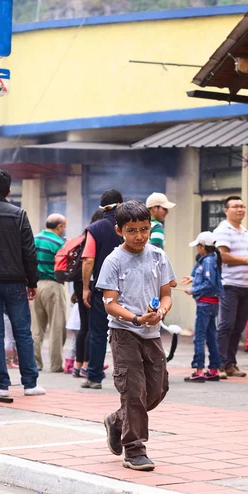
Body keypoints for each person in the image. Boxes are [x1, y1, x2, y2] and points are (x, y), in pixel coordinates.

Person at [98, 200, 175, 471]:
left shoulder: (158, 256)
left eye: (144, 229)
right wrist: (135, 318)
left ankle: (117, 421)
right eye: (132, 230)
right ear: (119, 231)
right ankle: (134, 449)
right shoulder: (113, 261)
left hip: (152, 333)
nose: (139, 236)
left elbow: (166, 294)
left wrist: (161, 313)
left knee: (157, 390)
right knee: (133, 392)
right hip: (124, 333)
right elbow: (109, 303)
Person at [0, 169, 44, 397]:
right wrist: (32, 281)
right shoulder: (19, 214)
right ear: (9, 190)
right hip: (15, 282)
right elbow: (29, 251)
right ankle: (30, 383)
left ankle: (0, 384)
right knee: (22, 331)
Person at [213, 196, 248, 378]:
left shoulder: (246, 232)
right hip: (230, 284)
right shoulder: (222, 230)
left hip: (247, 285)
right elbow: (222, 256)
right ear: (226, 210)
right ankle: (218, 364)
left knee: (238, 326)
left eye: (242, 206)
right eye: (235, 206)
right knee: (226, 325)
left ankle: (230, 364)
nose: (240, 210)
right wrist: (247, 260)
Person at [81, 190, 123, 389]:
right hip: (128, 288)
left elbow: (88, 260)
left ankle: (95, 377)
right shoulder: (130, 226)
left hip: (103, 289)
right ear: (120, 204)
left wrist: (85, 287)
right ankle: (128, 376)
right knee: (128, 332)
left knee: (98, 332)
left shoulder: (95, 228)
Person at [180, 231, 224, 383]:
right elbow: (210, 280)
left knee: (199, 336)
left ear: (203, 247)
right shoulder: (212, 260)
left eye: (198, 246)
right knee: (211, 336)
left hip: (204, 304)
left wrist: (193, 289)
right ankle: (213, 368)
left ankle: (199, 370)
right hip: (212, 303)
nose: (197, 249)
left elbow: (209, 283)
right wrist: (193, 279)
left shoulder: (207, 261)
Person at [32, 214, 67, 372]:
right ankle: (55, 365)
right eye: (63, 227)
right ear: (59, 227)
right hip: (53, 286)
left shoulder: (33, 238)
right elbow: (63, 267)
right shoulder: (59, 243)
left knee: (36, 329)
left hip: (35, 286)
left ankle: (35, 364)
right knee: (56, 327)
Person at [73, 208, 104, 378]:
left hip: (79, 282)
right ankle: (86, 365)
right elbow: (89, 261)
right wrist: (87, 288)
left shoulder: (85, 234)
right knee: (93, 326)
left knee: (84, 326)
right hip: (90, 282)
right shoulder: (98, 234)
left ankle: (78, 366)